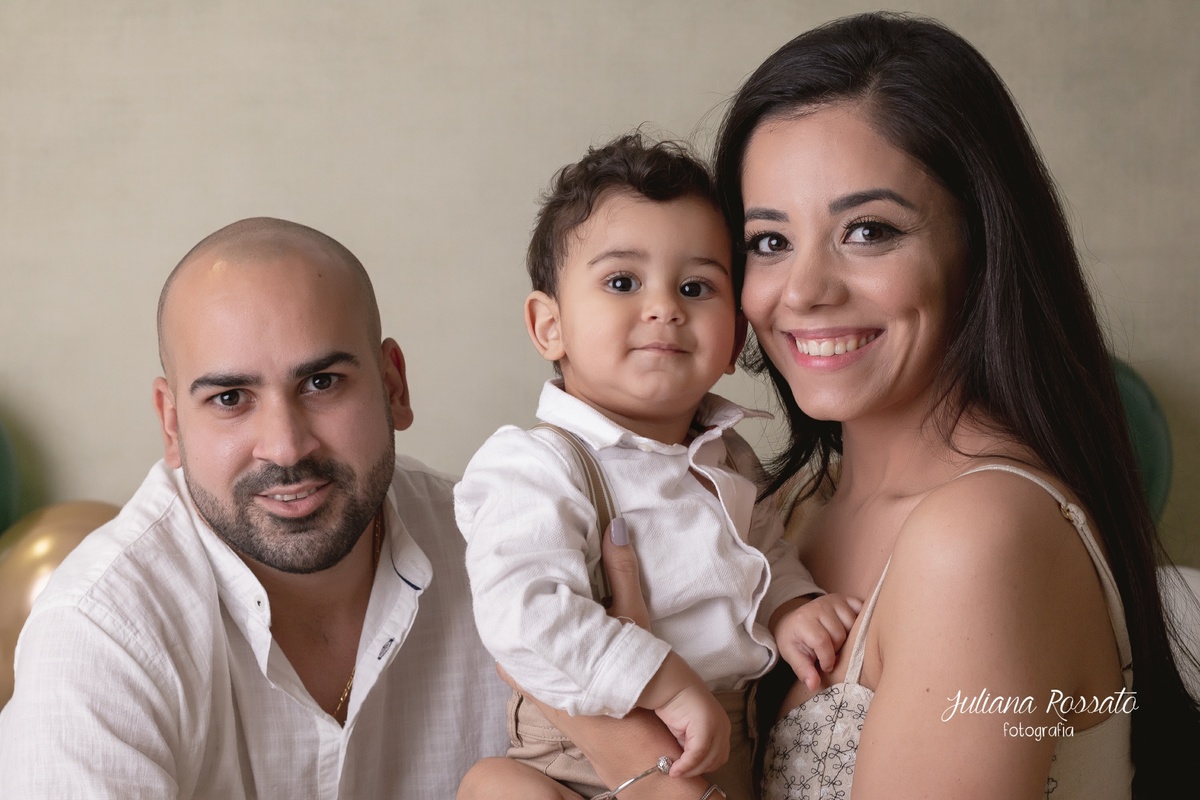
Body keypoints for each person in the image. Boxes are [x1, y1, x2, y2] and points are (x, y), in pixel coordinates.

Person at [703, 11, 1200, 800]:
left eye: (868, 231)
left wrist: (633, 771)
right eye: (769, 241)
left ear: (981, 243)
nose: (803, 291)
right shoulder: (788, 506)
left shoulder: (979, 537)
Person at [0, 217, 509, 798]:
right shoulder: (100, 631)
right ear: (172, 424)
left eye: (322, 382)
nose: (286, 447)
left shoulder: (502, 548)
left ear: (393, 386)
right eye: (230, 398)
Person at [454, 134, 860, 800]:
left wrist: (790, 605)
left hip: (727, 745)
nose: (665, 307)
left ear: (733, 337)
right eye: (622, 282)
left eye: (696, 287)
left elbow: (762, 554)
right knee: (501, 789)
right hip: (571, 761)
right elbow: (524, 615)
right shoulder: (535, 464)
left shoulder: (729, 457)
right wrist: (661, 682)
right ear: (549, 326)